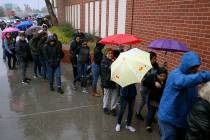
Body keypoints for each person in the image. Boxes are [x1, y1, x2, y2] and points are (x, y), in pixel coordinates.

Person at [157, 51, 210, 140]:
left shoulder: (191, 76)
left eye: (197, 67)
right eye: (193, 67)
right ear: (186, 65)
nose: (196, 70)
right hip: (169, 119)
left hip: (181, 120)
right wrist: (206, 75)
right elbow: (183, 81)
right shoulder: (176, 75)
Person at [143, 67, 168, 132]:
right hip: (152, 99)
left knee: (158, 114)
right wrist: (154, 84)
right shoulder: (152, 77)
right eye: (161, 76)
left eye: (164, 76)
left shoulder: (166, 81)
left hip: (160, 101)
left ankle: (160, 127)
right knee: (150, 112)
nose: (162, 77)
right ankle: (148, 125)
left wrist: (162, 87)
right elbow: (144, 82)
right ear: (157, 74)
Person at [136, 51, 159, 120]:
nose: (155, 60)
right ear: (149, 59)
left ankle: (138, 113)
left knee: (143, 101)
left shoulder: (155, 66)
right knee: (148, 103)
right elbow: (144, 81)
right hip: (144, 88)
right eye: (153, 58)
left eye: (155, 58)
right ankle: (150, 117)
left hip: (151, 88)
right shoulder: (144, 66)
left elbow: (157, 75)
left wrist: (162, 68)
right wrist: (154, 83)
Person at [101, 48, 118, 116]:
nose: (111, 54)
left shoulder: (113, 60)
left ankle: (113, 108)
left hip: (114, 81)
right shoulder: (103, 61)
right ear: (106, 54)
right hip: (107, 81)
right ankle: (105, 107)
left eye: (111, 53)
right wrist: (114, 62)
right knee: (106, 95)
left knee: (114, 95)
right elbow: (108, 69)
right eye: (109, 53)